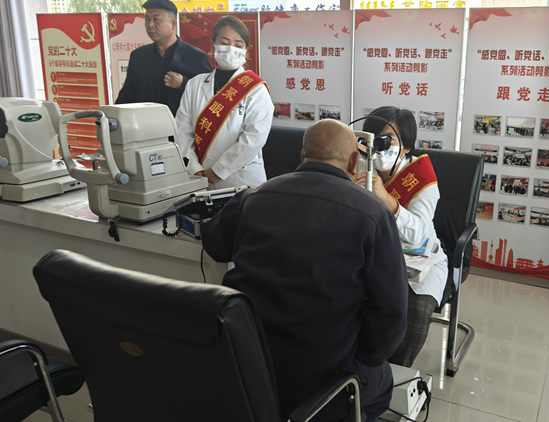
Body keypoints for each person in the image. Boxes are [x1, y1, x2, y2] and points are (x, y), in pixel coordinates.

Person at [202, 119, 408, 421]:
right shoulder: (372, 213)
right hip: (321, 379)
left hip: (245, 366)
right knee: (381, 381)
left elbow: (214, 244)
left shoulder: (254, 196)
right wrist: (362, 356)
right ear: (355, 161)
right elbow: (391, 315)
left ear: (302, 156)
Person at [356, 106, 449, 368]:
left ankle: (393, 376)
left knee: (412, 319)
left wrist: (386, 199)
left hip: (419, 260)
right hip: (370, 253)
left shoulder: (422, 179)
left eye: (388, 140)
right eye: (375, 139)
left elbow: (418, 234)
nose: (379, 147)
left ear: (406, 146)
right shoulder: (360, 164)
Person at [175, 16, 273, 190]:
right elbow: (182, 131)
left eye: (238, 45)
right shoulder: (194, 84)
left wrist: (218, 171)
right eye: (224, 42)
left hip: (241, 182)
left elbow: (254, 137)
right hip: (199, 179)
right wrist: (194, 168)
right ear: (213, 45)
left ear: (246, 50)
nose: (231, 49)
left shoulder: (256, 89)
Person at [116, 0, 212, 116]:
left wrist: (184, 84)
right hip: (143, 124)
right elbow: (127, 96)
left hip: (180, 125)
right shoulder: (138, 56)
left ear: (173, 23)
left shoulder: (197, 57)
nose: (150, 25)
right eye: (147, 19)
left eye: (156, 19)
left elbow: (209, 96)